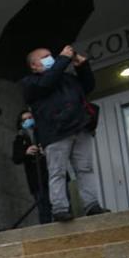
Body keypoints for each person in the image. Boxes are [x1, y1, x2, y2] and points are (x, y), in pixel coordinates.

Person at [22, 45, 107, 221]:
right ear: (33, 65)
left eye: (51, 55)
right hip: (55, 133)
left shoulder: (66, 78)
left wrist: (82, 67)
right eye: (44, 57)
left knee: (85, 169)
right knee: (57, 171)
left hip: (79, 127)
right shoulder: (30, 83)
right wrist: (62, 60)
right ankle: (60, 208)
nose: (50, 58)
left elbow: (87, 87)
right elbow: (47, 83)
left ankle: (92, 205)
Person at [11, 108, 54, 225]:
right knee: (43, 209)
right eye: (24, 120)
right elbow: (16, 158)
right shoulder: (20, 139)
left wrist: (45, 150)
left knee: (59, 204)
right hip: (36, 178)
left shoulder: (44, 131)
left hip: (53, 173)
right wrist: (26, 152)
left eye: (30, 118)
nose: (28, 121)